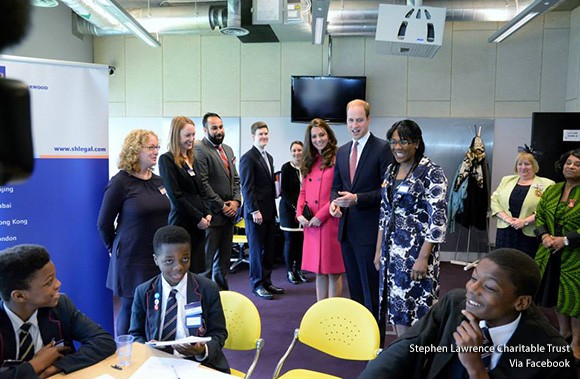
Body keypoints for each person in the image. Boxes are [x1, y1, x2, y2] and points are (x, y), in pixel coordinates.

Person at [358, 248, 576, 379]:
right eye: (473, 278)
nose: (472, 289)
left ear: (521, 302)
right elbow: (407, 348)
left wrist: (476, 368)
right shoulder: (455, 304)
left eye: (489, 287)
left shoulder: (552, 353)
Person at [374, 119, 448, 337]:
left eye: (404, 141)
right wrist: (378, 250)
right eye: (393, 142)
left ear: (416, 143)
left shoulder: (431, 172)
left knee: (417, 310)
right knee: (396, 308)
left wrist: (423, 257)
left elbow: (438, 219)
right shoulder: (390, 170)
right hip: (390, 254)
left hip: (416, 254)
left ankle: (418, 361)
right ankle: (401, 355)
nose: (397, 147)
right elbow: (384, 213)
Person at [0, 244, 116, 379]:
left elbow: (103, 341)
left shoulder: (61, 306)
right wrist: (36, 364)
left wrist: (53, 368)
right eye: (49, 282)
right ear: (19, 296)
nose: (58, 284)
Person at [97, 129, 170, 336]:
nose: (156, 151)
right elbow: (103, 223)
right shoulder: (121, 182)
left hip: (157, 256)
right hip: (131, 257)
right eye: (151, 147)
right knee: (130, 309)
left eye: (157, 146)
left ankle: (152, 353)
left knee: (155, 307)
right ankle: (126, 355)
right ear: (135, 150)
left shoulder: (158, 181)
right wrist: (114, 250)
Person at [129, 225, 230, 374]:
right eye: (169, 261)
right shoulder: (144, 292)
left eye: (185, 259)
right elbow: (135, 334)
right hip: (158, 363)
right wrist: (147, 347)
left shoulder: (207, 289)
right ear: (156, 260)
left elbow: (219, 333)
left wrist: (201, 350)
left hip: (199, 364)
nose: (179, 267)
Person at [329, 99, 392, 317]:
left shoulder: (383, 148)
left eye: (359, 120)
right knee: (355, 291)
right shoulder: (342, 151)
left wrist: (357, 199)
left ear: (368, 120)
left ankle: (376, 343)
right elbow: (336, 187)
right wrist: (333, 205)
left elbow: (387, 191)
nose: (355, 125)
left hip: (371, 232)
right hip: (347, 232)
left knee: (372, 293)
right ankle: (360, 340)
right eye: (350, 120)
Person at [534, 148, 580, 363]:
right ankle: (564, 332)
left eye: (577, 164)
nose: (571, 167)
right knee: (556, 294)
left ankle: (577, 343)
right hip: (550, 252)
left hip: (575, 256)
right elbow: (540, 215)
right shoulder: (553, 190)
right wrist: (544, 236)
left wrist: (566, 239)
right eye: (568, 163)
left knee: (575, 299)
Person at [297, 119, 344, 300]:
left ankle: (332, 312)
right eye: (314, 136)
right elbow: (303, 191)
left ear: (329, 135)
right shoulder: (309, 160)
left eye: (322, 134)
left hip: (330, 221)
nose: (318, 139)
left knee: (333, 271)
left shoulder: (338, 158)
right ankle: (320, 310)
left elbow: (338, 191)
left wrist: (321, 216)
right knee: (318, 271)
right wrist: (299, 213)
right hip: (311, 224)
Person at [194, 112, 241, 290]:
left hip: (229, 217)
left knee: (223, 265)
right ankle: (203, 302)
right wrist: (222, 206)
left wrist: (236, 202)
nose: (219, 131)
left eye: (221, 127)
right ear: (205, 130)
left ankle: (221, 298)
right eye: (214, 128)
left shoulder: (227, 149)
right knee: (206, 266)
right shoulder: (199, 149)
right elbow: (203, 184)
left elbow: (235, 179)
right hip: (212, 217)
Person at [159, 116, 212, 274]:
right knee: (182, 270)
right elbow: (176, 196)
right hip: (183, 222)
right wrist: (198, 218)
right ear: (177, 135)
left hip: (200, 224)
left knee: (197, 269)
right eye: (187, 135)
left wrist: (208, 213)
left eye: (193, 135)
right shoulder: (166, 160)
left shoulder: (192, 159)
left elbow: (201, 190)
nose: (192, 139)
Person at [239, 121, 284, 300]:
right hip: (255, 214)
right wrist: (254, 211)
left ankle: (267, 282)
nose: (264, 137)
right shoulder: (248, 158)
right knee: (257, 252)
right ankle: (257, 285)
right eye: (260, 134)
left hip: (269, 212)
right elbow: (247, 187)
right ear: (253, 137)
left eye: (266, 133)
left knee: (269, 250)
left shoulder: (269, 157)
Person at [491, 146, 554, 258]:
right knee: (503, 262)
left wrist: (524, 221)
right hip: (506, 231)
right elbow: (494, 201)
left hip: (530, 232)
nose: (523, 167)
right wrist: (507, 219)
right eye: (520, 164)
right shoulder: (506, 180)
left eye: (527, 164)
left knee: (525, 264)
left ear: (534, 166)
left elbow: (547, 209)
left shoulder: (547, 184)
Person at [279, 140, 307, 285]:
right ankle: (290, 270)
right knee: (290, 241)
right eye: (294, 150)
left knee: (301, 242)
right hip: (289, 211)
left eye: (299, 150)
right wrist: (297, 209)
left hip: (304, 212)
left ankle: (300, 270)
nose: (297, 153)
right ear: (291, 152)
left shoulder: (307, 168)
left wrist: (304, 210)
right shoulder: (286, 168)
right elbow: (285, 192)